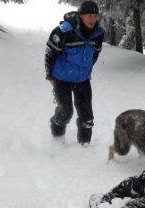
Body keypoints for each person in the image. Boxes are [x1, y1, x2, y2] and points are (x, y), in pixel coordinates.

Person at [45, 1, 105, 146]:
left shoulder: (99, 33)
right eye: (89, 15)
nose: (93, 19)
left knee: (87, 116)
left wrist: (86, 70)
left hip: (82, 80)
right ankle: (58, 138)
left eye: (95, 16)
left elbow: (94, 55)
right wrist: (50, 75)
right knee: (65, 112)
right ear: (81, 16)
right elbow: (50, 53)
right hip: (62, 79)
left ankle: (85, 144)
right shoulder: (64, 31)